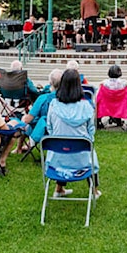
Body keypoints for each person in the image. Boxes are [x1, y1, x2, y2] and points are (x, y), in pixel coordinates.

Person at [46, 69, 101, 199]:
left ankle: (59, 188)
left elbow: (50, 128)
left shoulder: (53, 105)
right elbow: (91, 131)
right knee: (89, 152)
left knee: (63, 145)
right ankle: (94, 191)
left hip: (56, 160)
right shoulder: (87, 107)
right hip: (82, 160)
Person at [20, 68, 63, 146]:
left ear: (50, 83)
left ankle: (20, 147)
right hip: (62, 131)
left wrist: (23, 118)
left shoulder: (43, 98)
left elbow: (28, 119)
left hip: (44, 132)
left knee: (24, 121)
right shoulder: (68, 99)